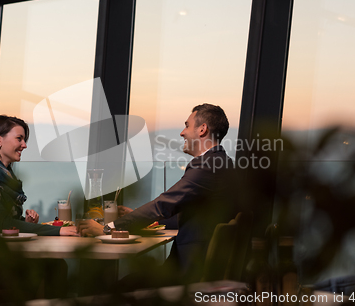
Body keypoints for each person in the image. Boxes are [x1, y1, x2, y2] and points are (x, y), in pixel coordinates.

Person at [79, 103, 237, 286]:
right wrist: (142, 218)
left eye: (187, 125)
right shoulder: (223, 162)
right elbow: (192, 215)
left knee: (121, 287)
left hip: (188, 276)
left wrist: (109, 229)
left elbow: (163, 204)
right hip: (201, 269)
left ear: (202, 129)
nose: (182, 132)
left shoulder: (207, 165)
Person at [0, 115, 78, 239]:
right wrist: (58, 231)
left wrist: (25, 222)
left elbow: (4, 219)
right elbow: (4, 223)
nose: (24, 145)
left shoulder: (3, 176)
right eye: (19, 139)